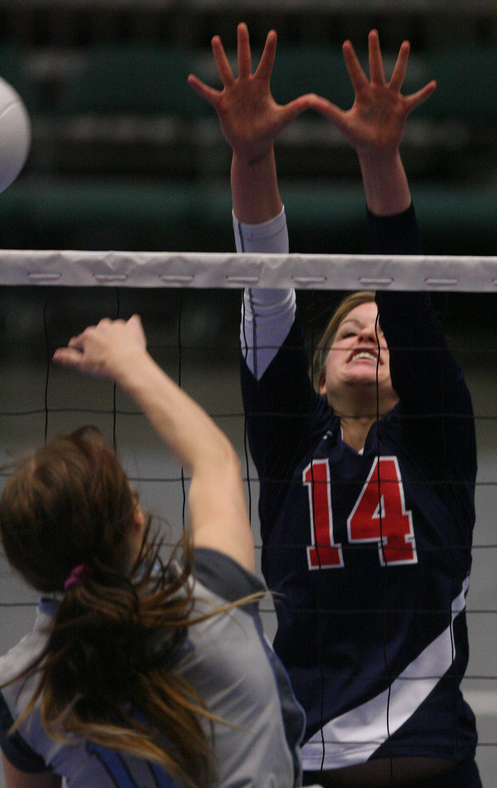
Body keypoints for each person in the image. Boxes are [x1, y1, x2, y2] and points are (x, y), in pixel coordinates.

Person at [189, 23, 481, 787]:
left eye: (379, 329)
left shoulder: (437, 443)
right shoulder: (290, 445)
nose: (368, 333)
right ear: (316, 378)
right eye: (349, 328)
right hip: (314, 770)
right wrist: (252, 154)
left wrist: (379, 158)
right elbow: (268, 283)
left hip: (437, 770)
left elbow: (408, 296)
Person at [0, 314, 308, 787]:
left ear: (27, 567)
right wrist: (129, 362)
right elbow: (214, 461)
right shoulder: (211, 603)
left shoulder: (19, 688)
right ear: (135, 515)